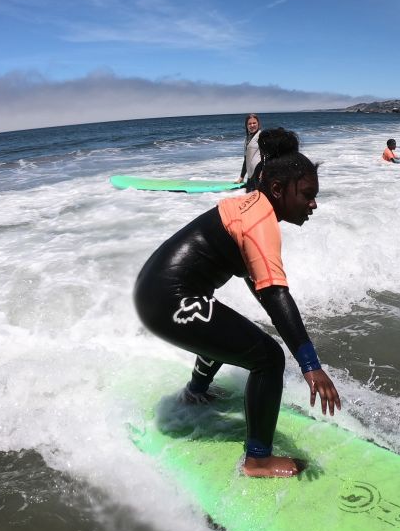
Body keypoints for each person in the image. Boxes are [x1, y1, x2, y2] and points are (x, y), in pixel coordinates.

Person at [134, 128, 341, 478]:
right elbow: (275, 295)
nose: (313, 203)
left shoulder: (251, 205)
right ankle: (258, 459)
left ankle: (195, 392)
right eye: (307, 194)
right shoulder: (260, 222)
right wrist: (310, 365)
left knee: (229, 332)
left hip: (155, 292)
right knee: (268, 358)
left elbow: (260, 286)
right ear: (278, 189)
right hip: (169, 300)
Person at [237, 113, 263, 189]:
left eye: (254, 123)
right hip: (250, 177)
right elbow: (246, 160)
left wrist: (264, 171)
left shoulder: (262, 136)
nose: (252, 125)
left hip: (259, 176)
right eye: (249, 124)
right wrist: (241, 177)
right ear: (246, 126)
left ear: (258, 123)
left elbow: (267, 156)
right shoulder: (247, 139)